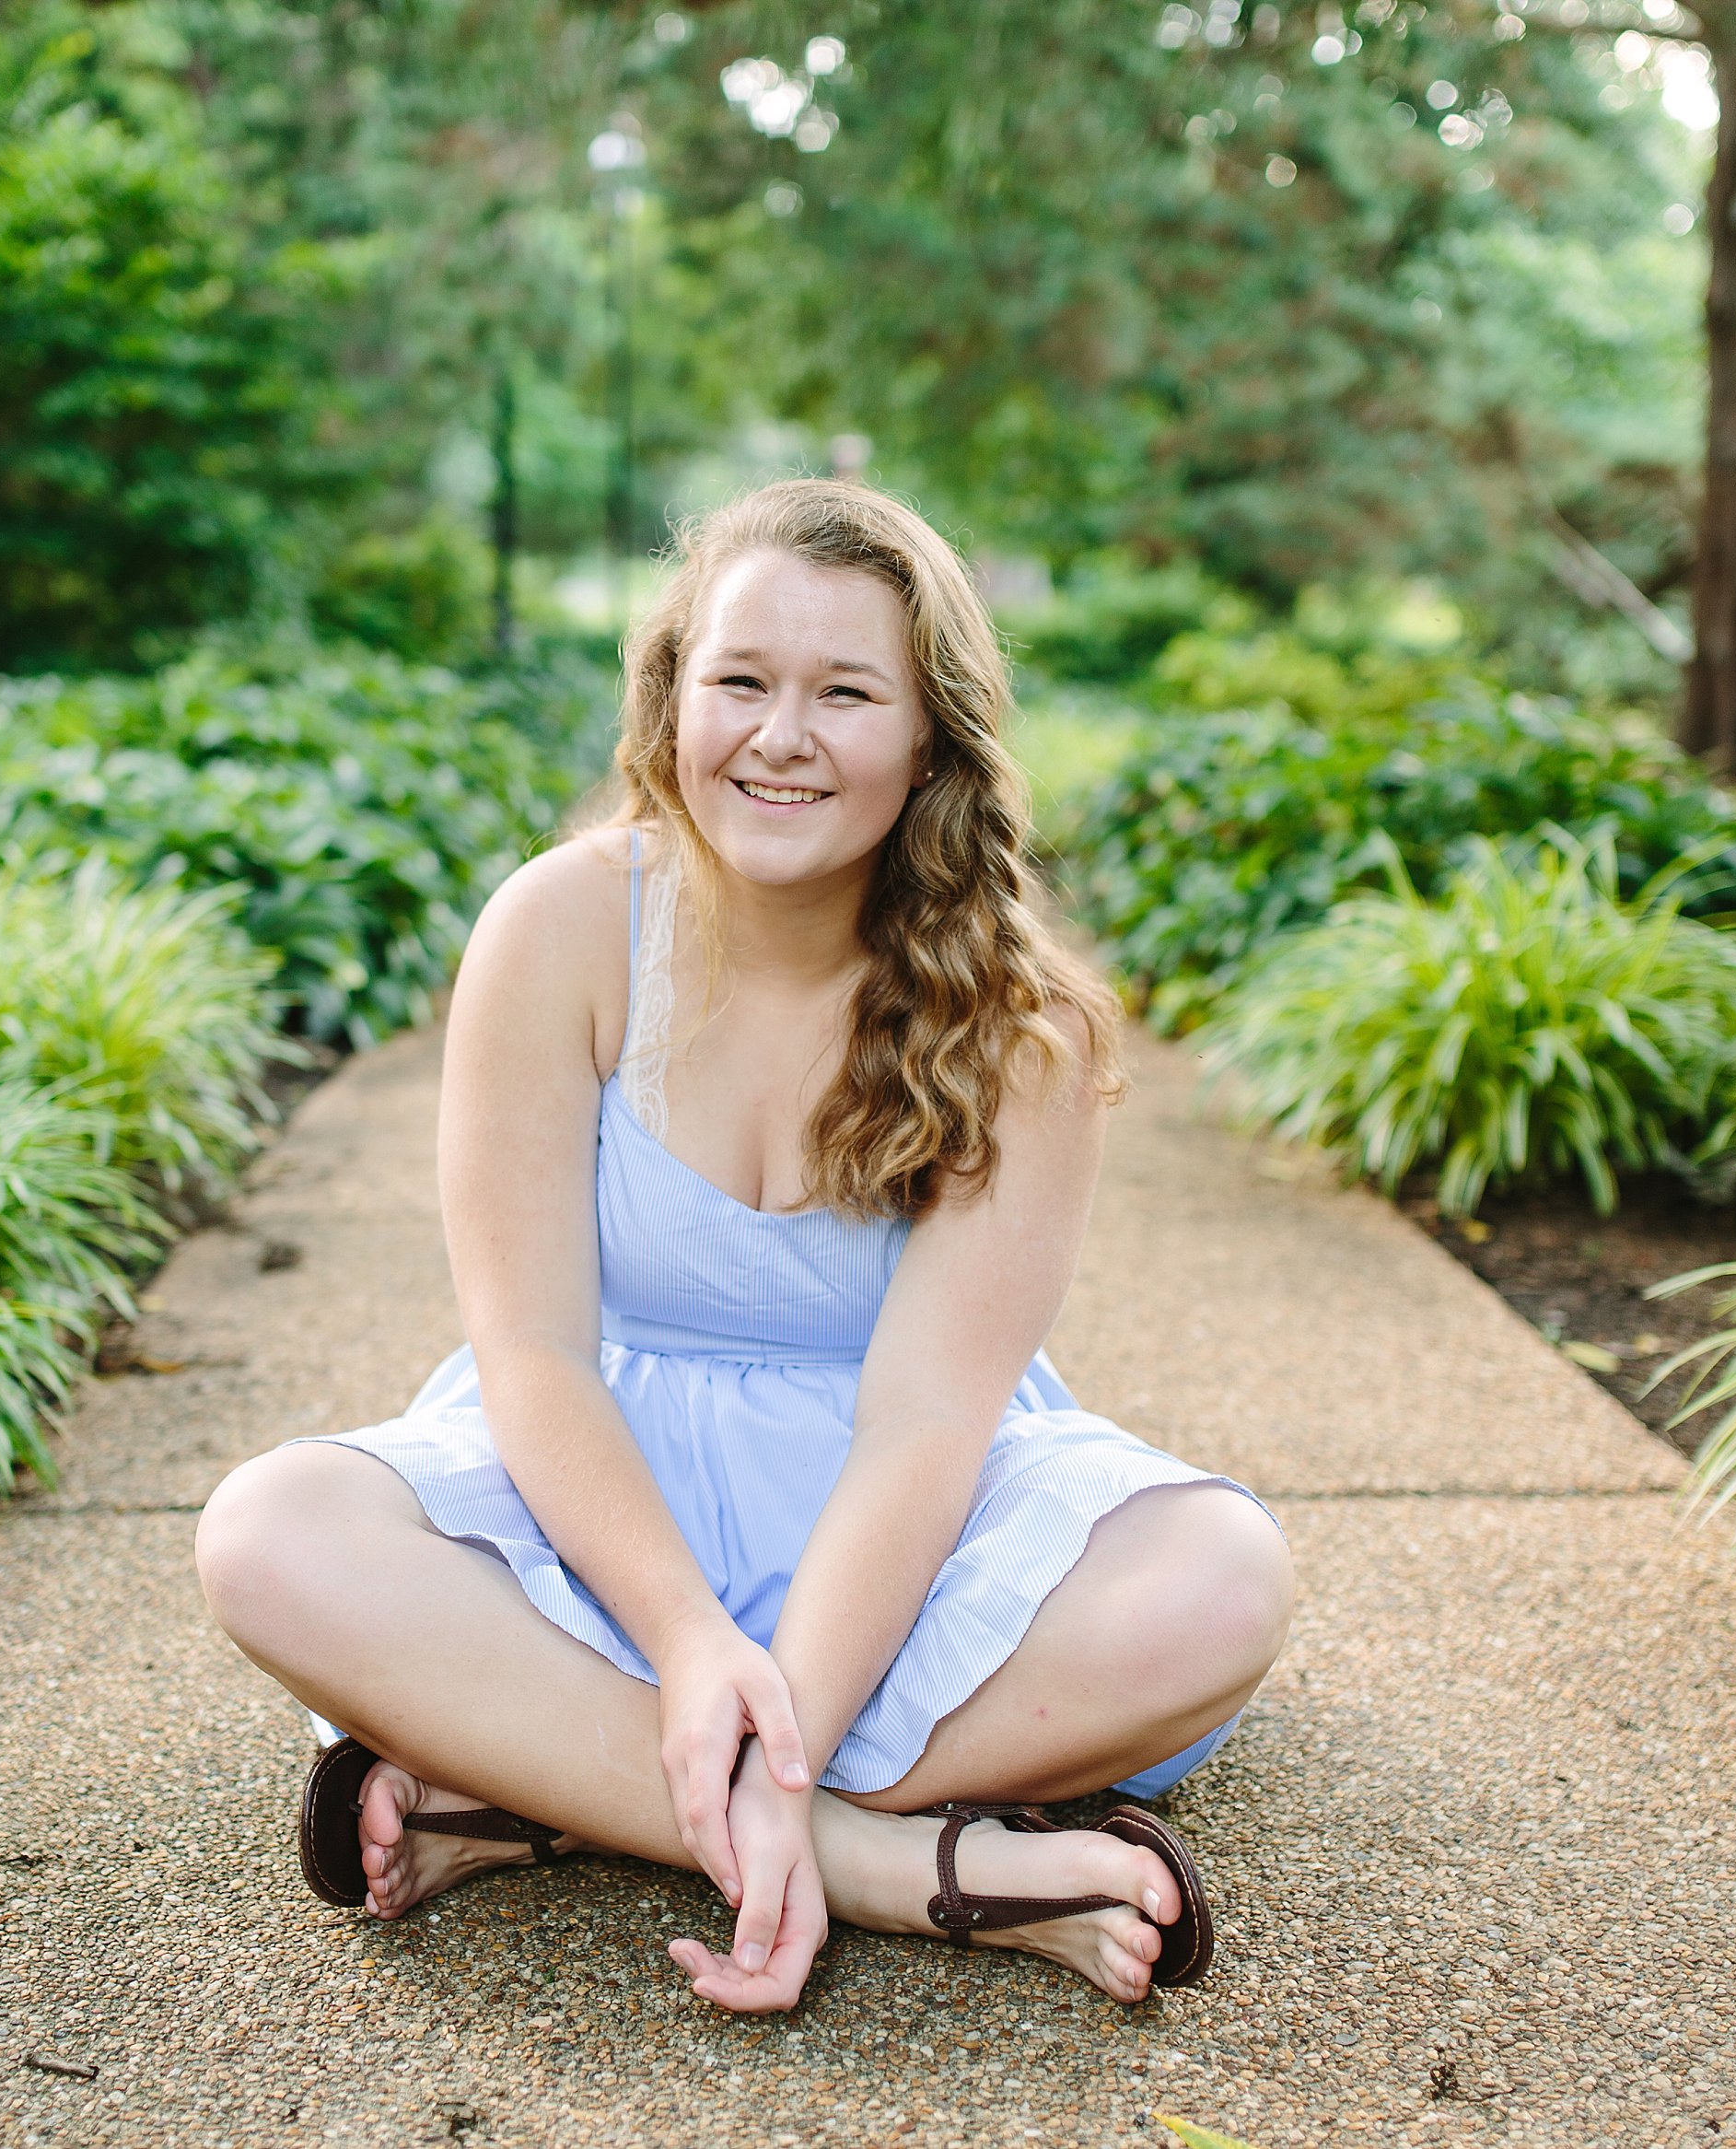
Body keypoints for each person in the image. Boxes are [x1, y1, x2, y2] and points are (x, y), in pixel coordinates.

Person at [195, 479, 1292, 2015]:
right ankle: (893, 1865)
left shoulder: (1020, 1020)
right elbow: (529, 1350)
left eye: (846, 692)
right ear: (671, 698)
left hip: (900, 1510)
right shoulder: (560, 929)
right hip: (604, 1491)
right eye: (741, 682)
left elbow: (926, 1423)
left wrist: (791, 1707)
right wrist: (692, 1638)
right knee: (270, 1532)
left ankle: (541, 1787)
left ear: (930, 742)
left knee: (1218, 1581)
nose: (782, 735)